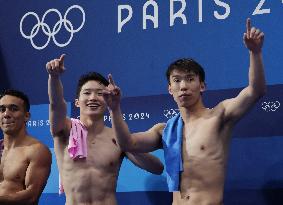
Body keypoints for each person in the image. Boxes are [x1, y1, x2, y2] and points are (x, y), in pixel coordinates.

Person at [105, 18, 266, 205]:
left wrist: (255, 52)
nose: (183, 86)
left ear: (202, 85)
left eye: (190, 79)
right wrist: (114, 109)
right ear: (169, 89)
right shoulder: (164, 130)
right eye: (177, 80)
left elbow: (256, 91)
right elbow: (128, 143)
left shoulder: (219, 116)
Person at [46, 55, 164, 205]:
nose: (93, 98)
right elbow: (56, 104)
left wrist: (127, 146)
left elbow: (157, 168)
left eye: (100, 93)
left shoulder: (118, 137)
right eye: (87, 93)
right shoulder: (63, 130)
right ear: (77, 102)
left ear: (107, 100)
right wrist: (54, 77)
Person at [0, 89, 52, 205]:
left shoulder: (37, 150)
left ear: (26, 116)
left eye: (13, 109)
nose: (6, 114)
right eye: (2, 109)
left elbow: (31, 196)